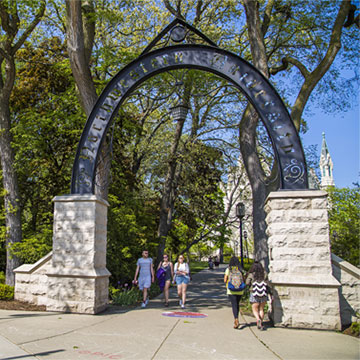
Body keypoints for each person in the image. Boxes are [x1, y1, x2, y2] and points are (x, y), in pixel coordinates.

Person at [246, 261, 269, 330]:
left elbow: (247, 283)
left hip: (254, 293)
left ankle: (258, 319)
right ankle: (261, 322)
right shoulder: (264, 274)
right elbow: (267, 282)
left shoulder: (251, 274)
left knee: (255, 309)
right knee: (261, 309)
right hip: (263, 293)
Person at [224, 256, 245, 329]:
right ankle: (237, 317)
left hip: (231, 290)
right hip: (240, 290)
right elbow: (244, 279)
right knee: (237, 304)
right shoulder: (240, 269)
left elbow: (225, 279)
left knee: (234, 304)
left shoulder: (228, 269)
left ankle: (236, 319)